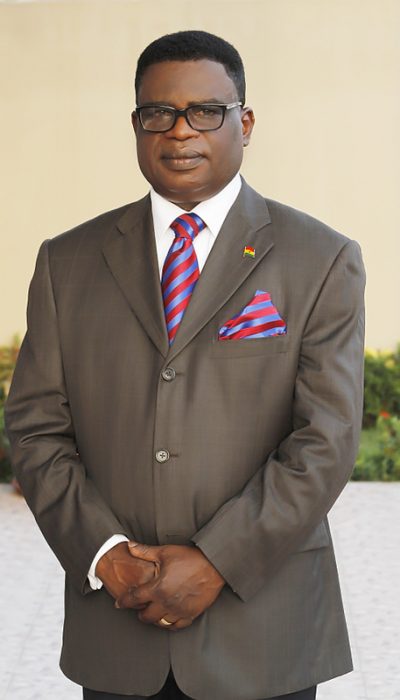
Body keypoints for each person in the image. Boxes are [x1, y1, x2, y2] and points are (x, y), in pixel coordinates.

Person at [5, 30, 365, 700]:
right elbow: (35, 429)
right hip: (118, 623)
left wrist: (216, 560)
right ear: (136, 125)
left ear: (244, 123)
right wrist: (104, 554)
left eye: (205, 111)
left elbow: (327, 438)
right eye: (158, 113)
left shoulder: (321, 258)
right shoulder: (66, 261)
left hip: (264, 630)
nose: (180, 131)